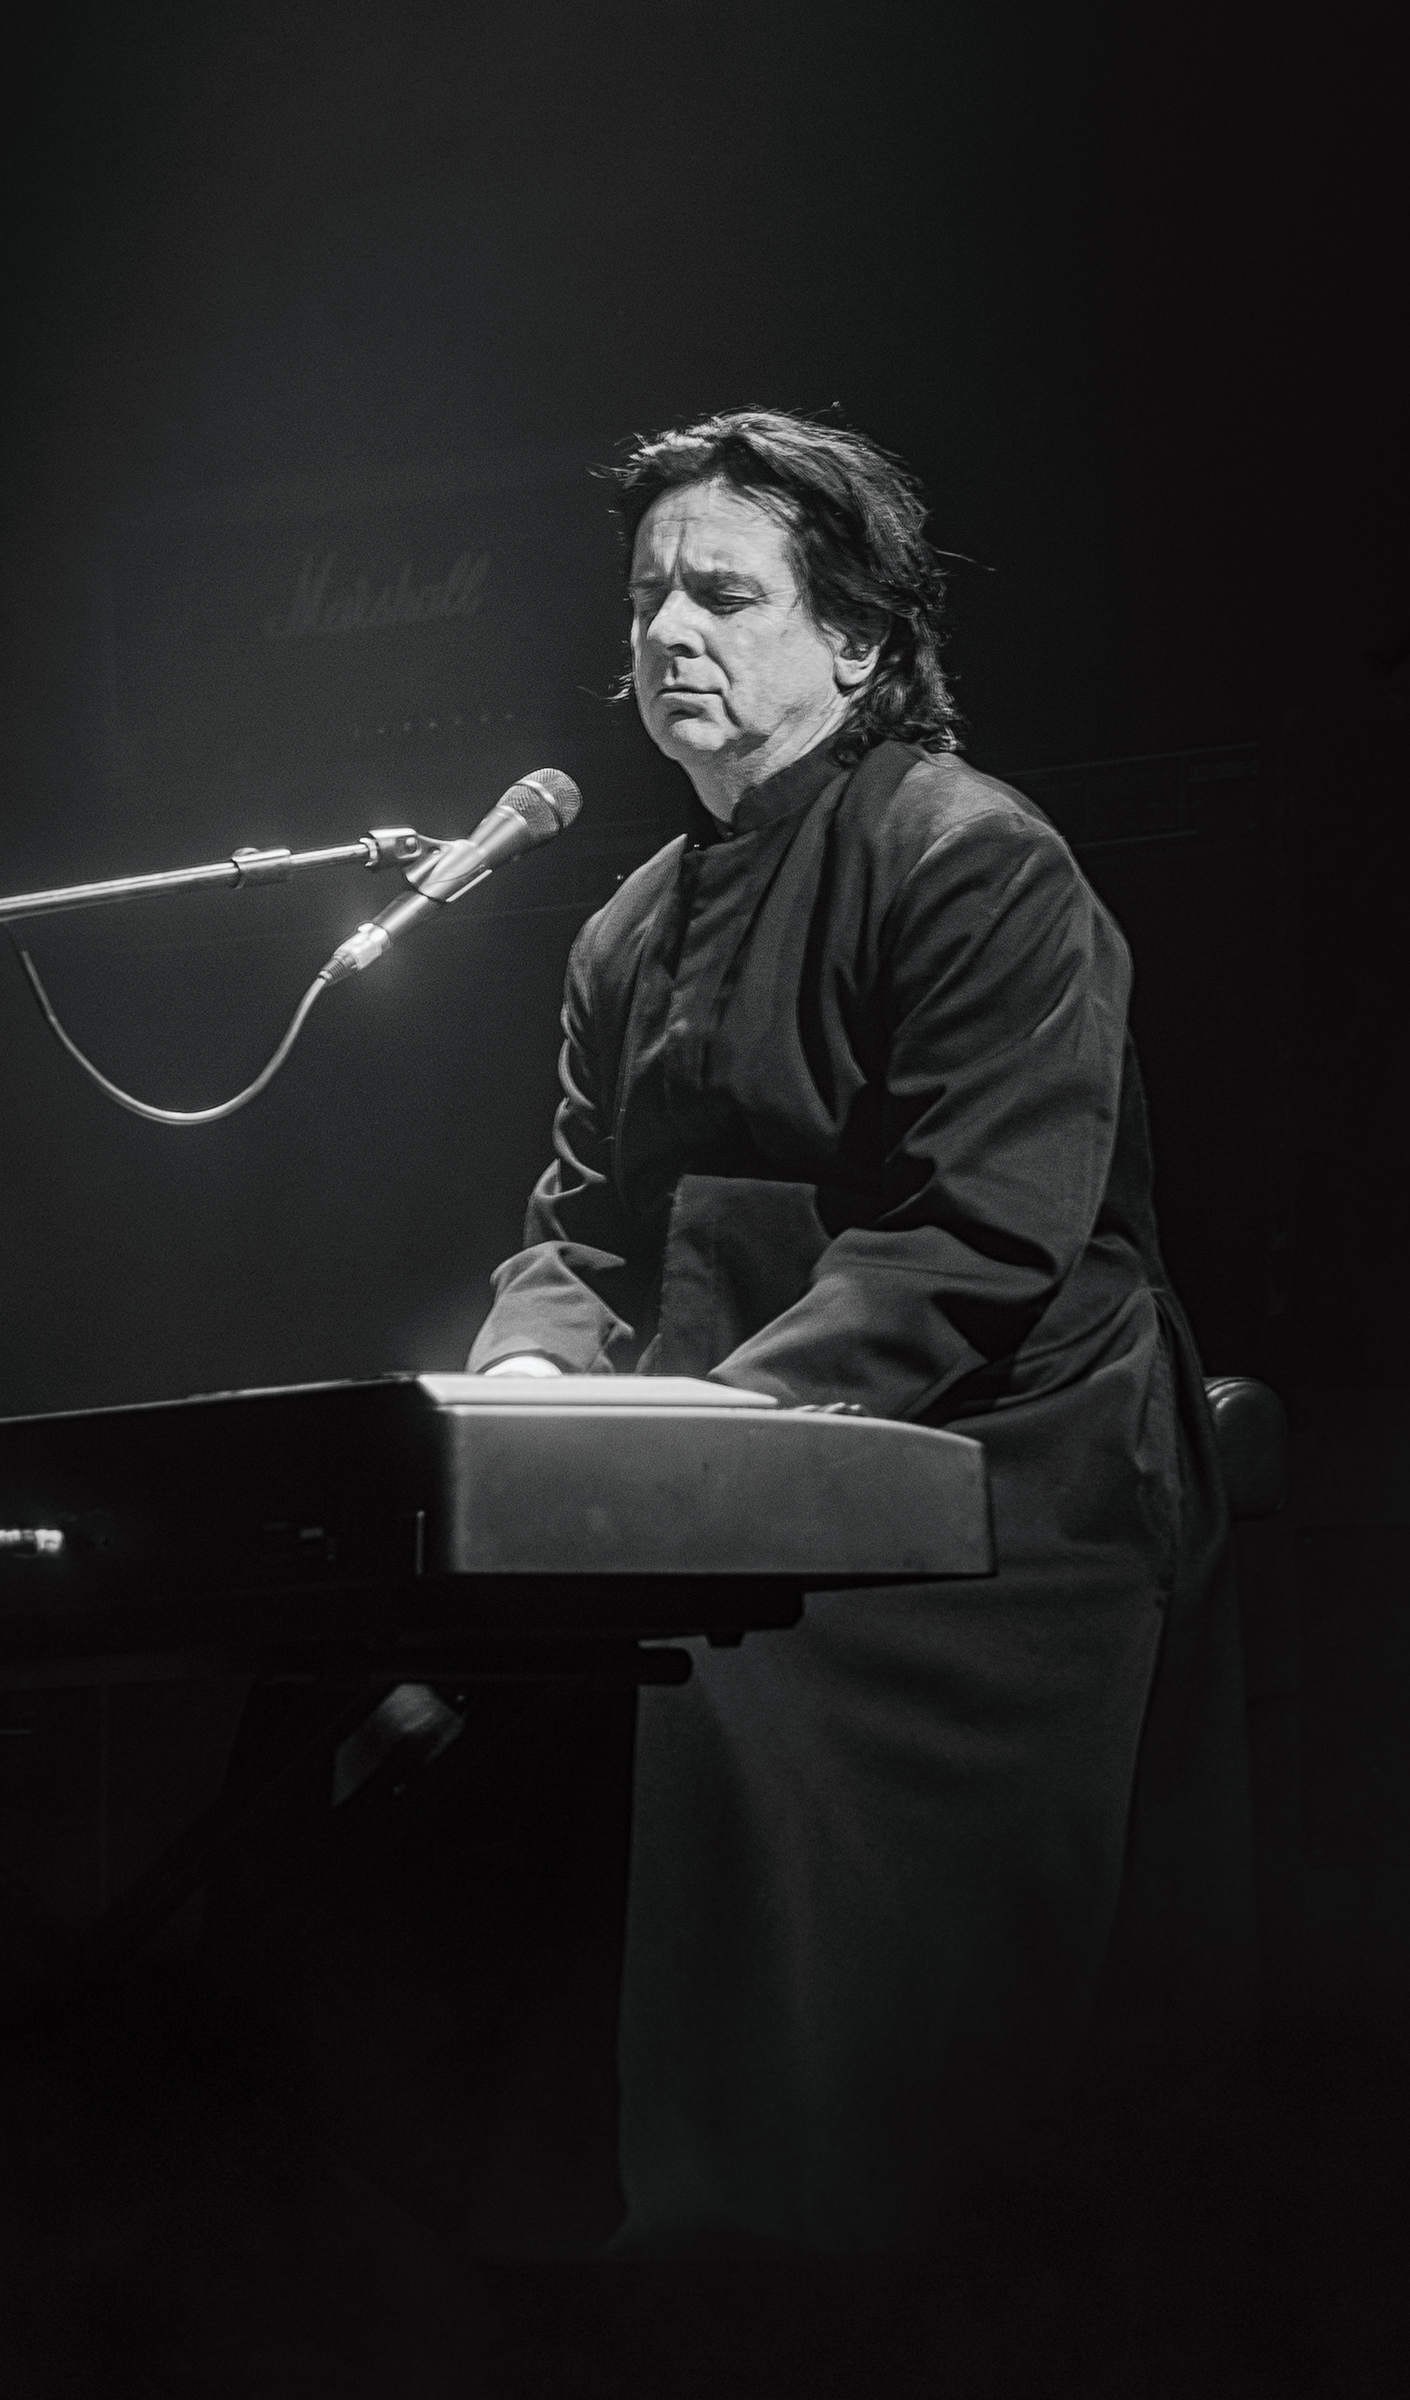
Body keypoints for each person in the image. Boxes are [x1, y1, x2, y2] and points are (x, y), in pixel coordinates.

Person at [466, 407, 1256, 2253]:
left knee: (706, 1690)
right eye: (646, 595)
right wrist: (525, 1386)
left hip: (997, 1470)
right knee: (415, 1676)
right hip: (727, 1466)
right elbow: (582, 1230)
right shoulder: (625, 929)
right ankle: (456, 2221)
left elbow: (984, 1229)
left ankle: (775, 2239)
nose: (669, 630)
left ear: (857, 638)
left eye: (723, 594)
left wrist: (716, 1443)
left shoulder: (975, 858)